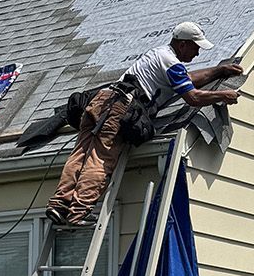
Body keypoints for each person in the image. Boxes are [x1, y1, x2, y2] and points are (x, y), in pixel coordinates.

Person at [47, 22, 243, 224]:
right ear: (183, 44)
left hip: (100, 100)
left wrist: (219, 71)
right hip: (118, 108)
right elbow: (193, 97)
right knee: (101, 158)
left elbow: (188, 78)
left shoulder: (159, 54)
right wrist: (223, 94)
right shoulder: (171, 62)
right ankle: (79, 212)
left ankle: (59, 204)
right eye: (196, 47)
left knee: (80, 154)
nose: (198, 53)